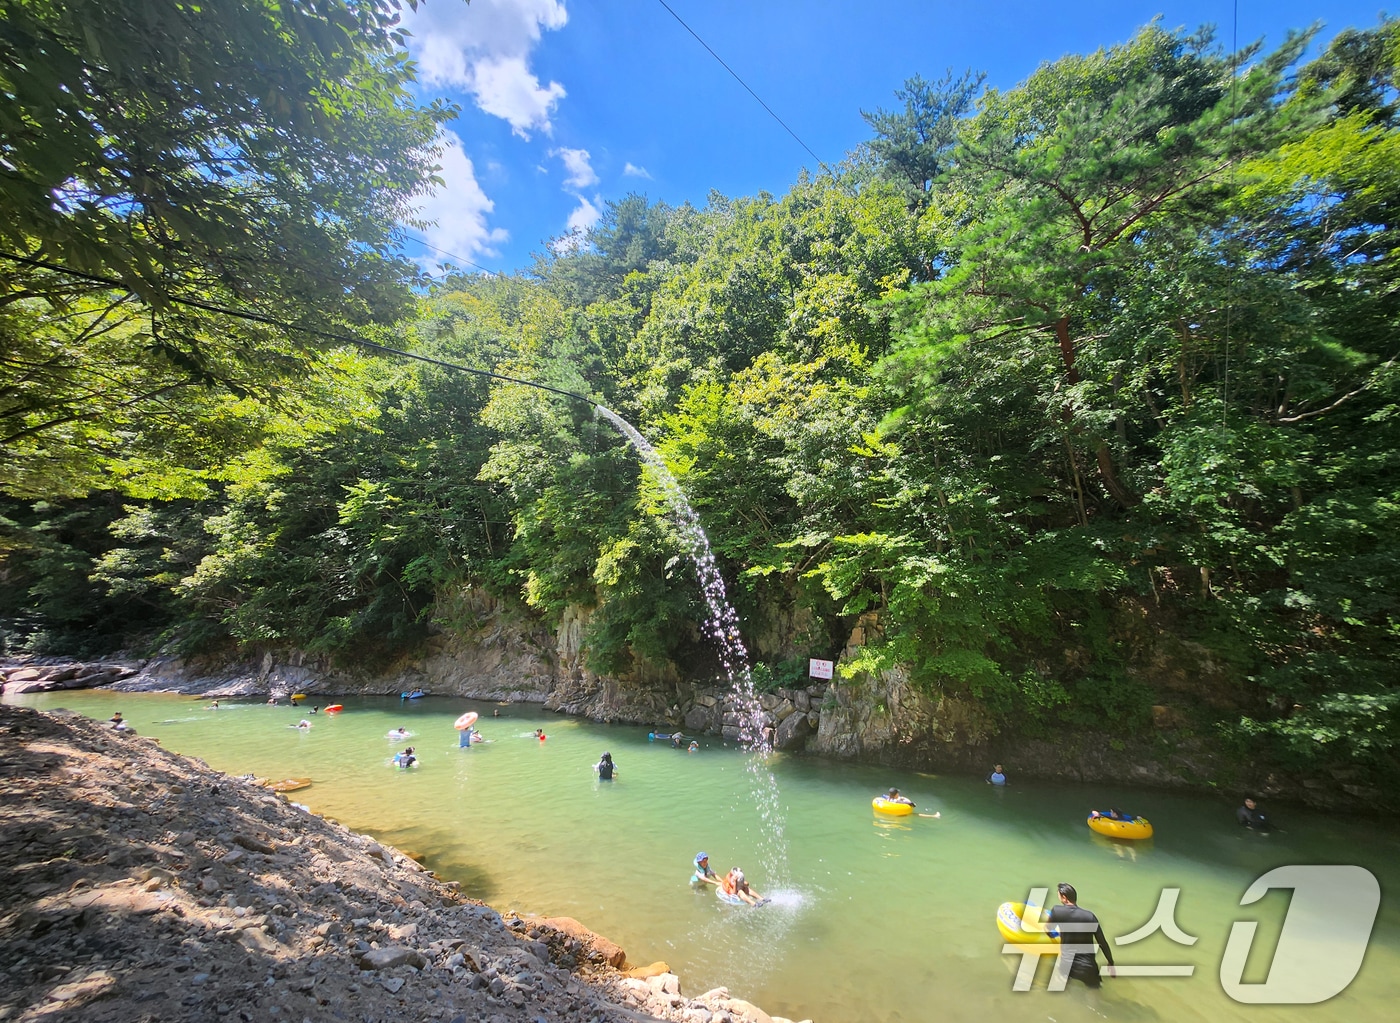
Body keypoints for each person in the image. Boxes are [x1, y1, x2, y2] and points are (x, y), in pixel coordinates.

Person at [1047, 882, 1115, 987]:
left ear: (1064, 898)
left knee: (1065, 991)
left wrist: (1054, 935)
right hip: (1088, 966)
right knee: (1094, 993)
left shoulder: (1057, 911)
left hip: (1067, 964)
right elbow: (1103, 943)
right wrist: (1111, 963)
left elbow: (1048, 929)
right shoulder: (1090, 916)